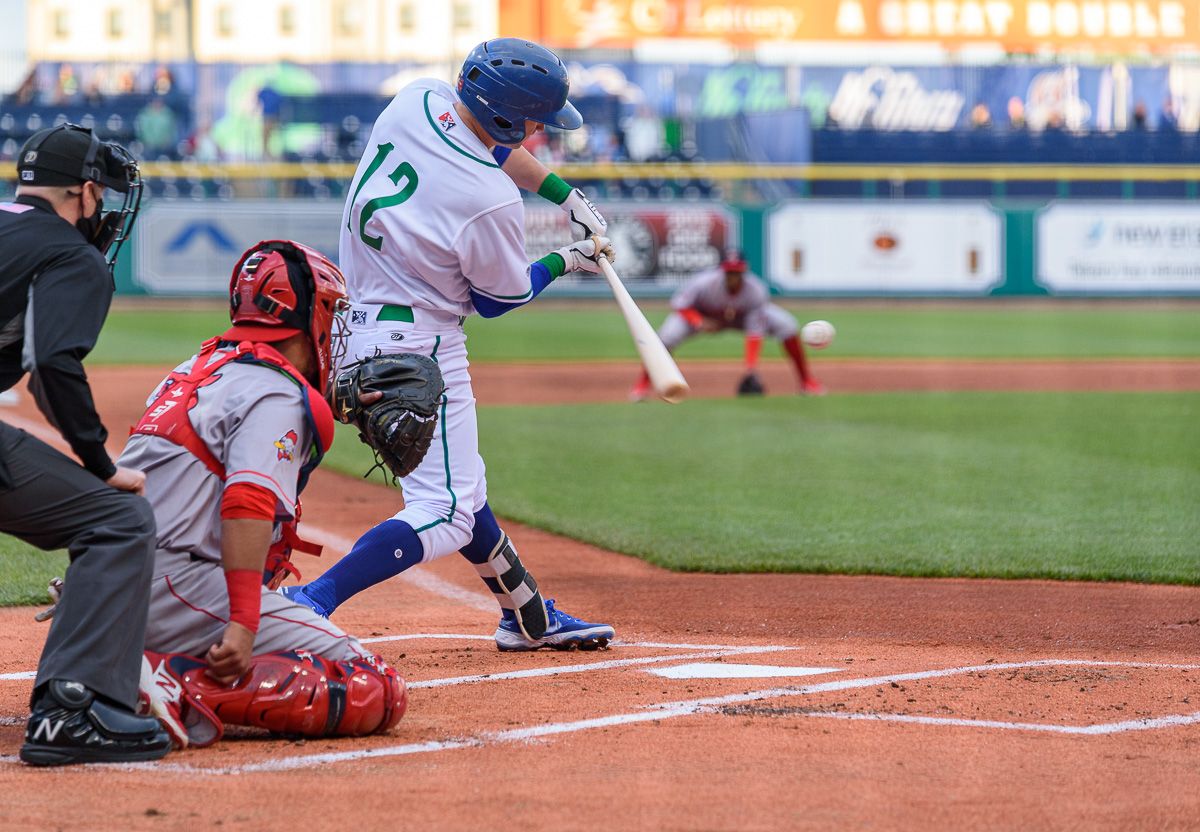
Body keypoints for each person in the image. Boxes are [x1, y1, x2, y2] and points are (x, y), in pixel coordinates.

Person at [283, 38, 615, 651]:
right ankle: (311, 601)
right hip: (419, 345)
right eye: (536, 119)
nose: (542, 131)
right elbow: (497, 300)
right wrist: (570, 258)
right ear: (508, 117)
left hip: (348, 326)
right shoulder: (487, 198)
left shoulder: (418, 100)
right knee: (447, 509)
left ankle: (528, 615)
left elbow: (493, 147)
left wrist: (564, 195)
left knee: (464, 488)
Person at [120, 240, 407, 749]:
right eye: (330, 311)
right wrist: (243, 624)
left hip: (111, 581)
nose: (334, 326)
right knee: (373, 687)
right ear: (306, 313)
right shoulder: (275, 392)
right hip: (173, 585)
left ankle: (116, 654)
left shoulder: (197, 368)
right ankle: (171, 682)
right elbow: (247, 502)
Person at [0, 124, 171, 765]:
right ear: (86, 192)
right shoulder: (69, 253)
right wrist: (100, 464)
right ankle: (72, 708)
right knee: (120, 520)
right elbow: (51, 365)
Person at [630, 250, 825, 401]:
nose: (733, 275)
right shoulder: (704, 283)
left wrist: (750, 369)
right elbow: (679, 305)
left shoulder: (756, 290)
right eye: (729, 271)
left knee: (787, 325)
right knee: (665, 337)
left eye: (737, 271)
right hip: (704, 315)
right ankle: (642, 386)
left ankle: (807, 381)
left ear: (744, 271)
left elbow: (754, 332)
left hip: (742, 317)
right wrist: (699, 321)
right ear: (722, 270)